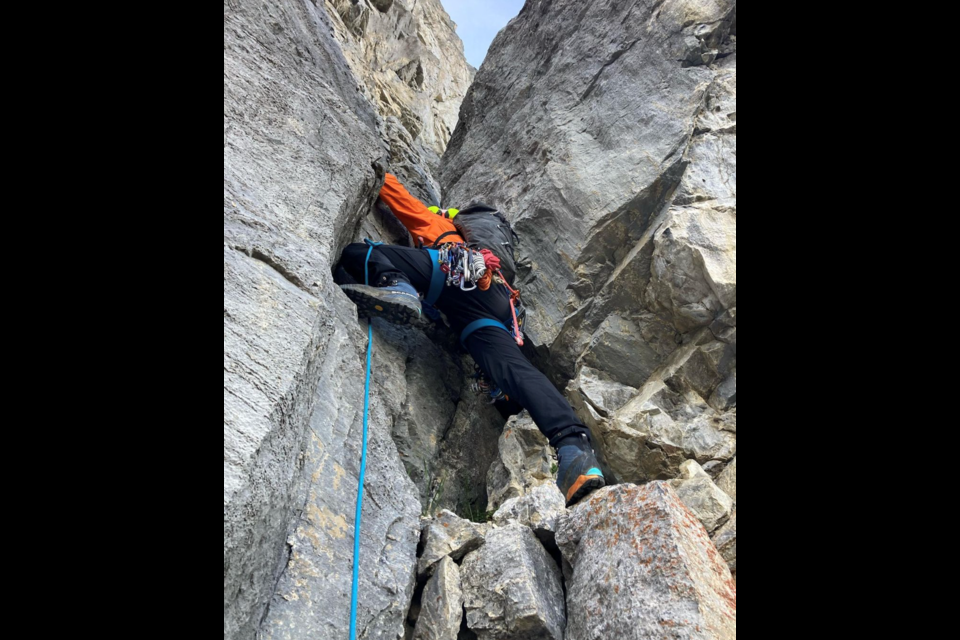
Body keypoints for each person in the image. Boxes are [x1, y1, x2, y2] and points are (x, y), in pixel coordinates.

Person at [337, 174, 606, 506]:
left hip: (454, 275)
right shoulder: (495, 257)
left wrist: (379, 173)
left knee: (356, 252)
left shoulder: (441, 226)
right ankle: (575, 451)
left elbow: (400, 199)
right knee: (517, 371)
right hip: (492, 306)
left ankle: (395, 284)